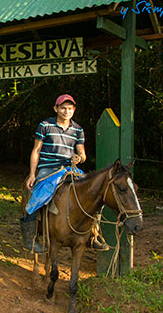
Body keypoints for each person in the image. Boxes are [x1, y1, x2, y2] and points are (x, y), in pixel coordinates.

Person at [20, 94, 109, 253]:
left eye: (69, 108)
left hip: (70, 169)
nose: (66, 111)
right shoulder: (45, 125)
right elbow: (36, 150)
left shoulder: (78, 129)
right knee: (36, 196)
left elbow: (82, 154)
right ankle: (30, 240)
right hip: (48, 169)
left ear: (74, 110)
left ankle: (93, 235)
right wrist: (33, 174)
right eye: (63, 108)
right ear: (56, 109)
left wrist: (79, 158)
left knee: (94, 193)